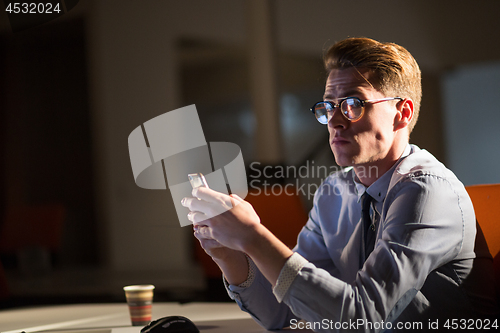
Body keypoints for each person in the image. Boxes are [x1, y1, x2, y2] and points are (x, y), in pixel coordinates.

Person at [181, 37, 498, 332]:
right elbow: (288, 314)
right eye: (329, 106)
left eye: (353, 104)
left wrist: (253, 236)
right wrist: (229, 255)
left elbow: (363, 319)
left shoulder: (426, 190)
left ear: (402, 113)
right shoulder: (335, 193)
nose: (334, 120)